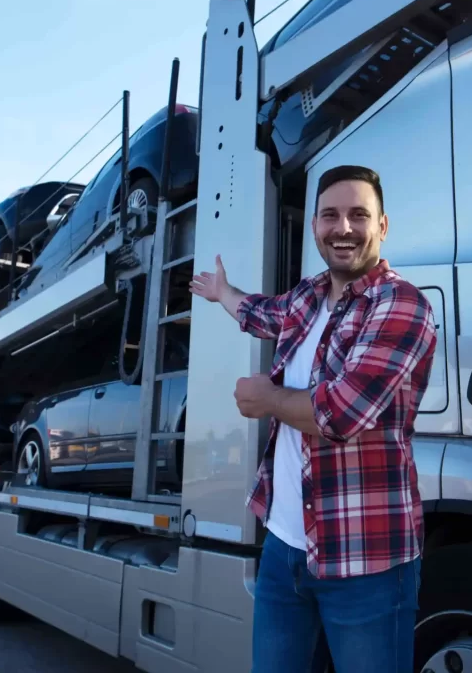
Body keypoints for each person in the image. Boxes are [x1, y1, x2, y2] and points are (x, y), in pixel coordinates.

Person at [189, 164, 438, 673]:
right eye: (330, 215)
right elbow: (262, 313)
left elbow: (343, 412)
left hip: (366, 558)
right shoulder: (307, 295)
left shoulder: (402, 304)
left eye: (358, 215)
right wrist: (223, 292)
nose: (343, 228)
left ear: (382, 226)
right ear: (315, 226)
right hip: (284, 548)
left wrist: (268, 399)